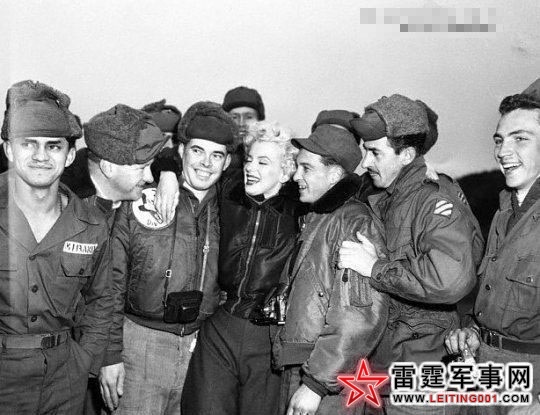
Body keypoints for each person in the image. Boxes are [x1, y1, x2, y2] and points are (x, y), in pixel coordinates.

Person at [339, 94, 483, 415]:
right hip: (381, 368)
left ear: (406, 155)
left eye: (375, 153)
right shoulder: (382, 196)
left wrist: (375, 268)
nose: (365, 163)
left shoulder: (434, 202)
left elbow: (450, 279)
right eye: (365, 151)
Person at [110, 101, 234, 414]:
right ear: (180, 151)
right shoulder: (141, 200)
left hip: (202, 351)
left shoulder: (232, 208)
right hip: (140, 345)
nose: (206, 163)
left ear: (228, 162)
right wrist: (108, 355)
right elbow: (110, 282)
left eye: (217, 155)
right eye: (197, 151)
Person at [0, 80, 113, 414]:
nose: (40, 156)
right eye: (28, 144)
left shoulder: (91, 225)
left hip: (64, 377)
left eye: (53, 146)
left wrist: (85, 359)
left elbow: (101, 300)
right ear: (9, 149)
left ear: (70, 155)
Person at [181, 121, 305, 415]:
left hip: (269, 336)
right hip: (222, 325)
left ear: (286, 172)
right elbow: (187, 169)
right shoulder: (229, 193)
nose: (251, 168)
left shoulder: (302, 209)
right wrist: (167, 177)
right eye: (249, 159)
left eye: (263, 162)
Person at [273, 124, 389, 415]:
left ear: (335, 175)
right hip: (307, 364)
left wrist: (315, 385)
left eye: (306, 168)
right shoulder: (318, 215)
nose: (296, 176)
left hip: (327, 377)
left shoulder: (354, 223)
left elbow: (358, 317)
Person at [61, 103, 168, 414]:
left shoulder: (121, 202)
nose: (150, 177)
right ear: (108, 167)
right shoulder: (67, 210)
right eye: (140, 168)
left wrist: (170, 173)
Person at [446, 79, 540, 415]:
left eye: (520, 139)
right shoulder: (504, 212)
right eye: (499, 140)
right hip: (485, 374)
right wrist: (473, 331)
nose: (502, 152)